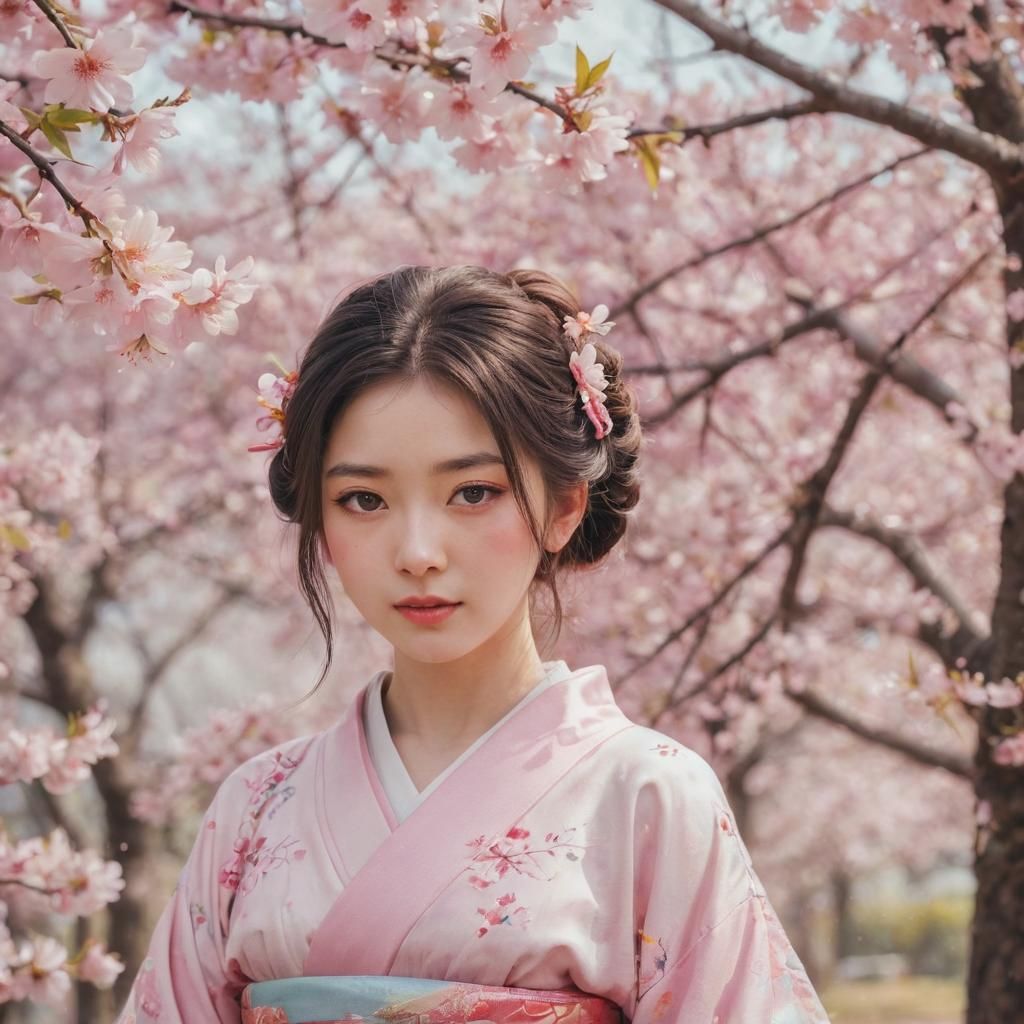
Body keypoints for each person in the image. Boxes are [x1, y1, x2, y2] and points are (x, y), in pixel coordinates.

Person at [114, 265, 831, 1023]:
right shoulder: (255, 808)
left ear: (562, 507)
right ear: (320, 523)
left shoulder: (648, 795)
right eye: (364, 499)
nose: (418, 550)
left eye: (473, 492)